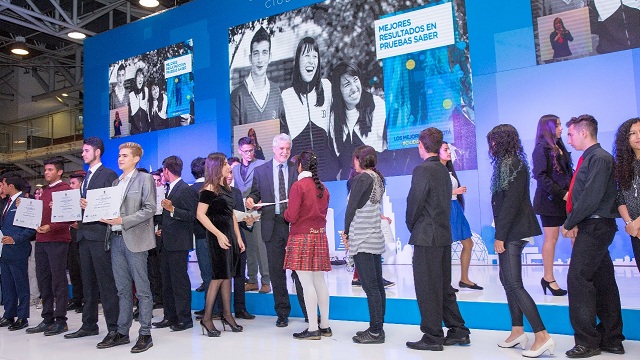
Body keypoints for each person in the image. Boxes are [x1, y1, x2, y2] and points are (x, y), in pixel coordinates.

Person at [487, 124, 554, 357]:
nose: (491, 147)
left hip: (513, 232)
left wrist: (500, 236)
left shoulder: (513, 164)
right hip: (511, 230)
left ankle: (542, 335)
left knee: (514, 283)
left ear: (502, 141)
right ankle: (517, 331)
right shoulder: (506, 165)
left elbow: (511, 204)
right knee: (506, 280)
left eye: (494, 141)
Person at [561, 115, 624, 358]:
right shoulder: (592, 158)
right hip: (596, 227)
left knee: (577, 279)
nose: (569, 139)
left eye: (571, 134)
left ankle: (588, 341)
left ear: (584, 133)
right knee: (604, 282)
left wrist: (570, 222)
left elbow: (591, 197)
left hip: (595, 227)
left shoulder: (599, 158)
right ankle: (611, 338)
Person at [405, 129, 470, 352]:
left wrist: (412, 226)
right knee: (443, 287)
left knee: (427, 287)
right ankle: (458, 329)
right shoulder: (443, 171)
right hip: (443, 235)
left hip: (427, 236)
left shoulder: (422, 170)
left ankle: (432, 336)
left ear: (421, 146)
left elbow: (414, 203)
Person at [245, 133, 307, 327]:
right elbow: (255, 193)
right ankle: (282, 313)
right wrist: (251, 200)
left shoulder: (296, 169)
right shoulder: (261, 171)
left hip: (294, 225)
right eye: (281, 149)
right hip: (271, 226)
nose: (285, 152)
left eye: (288, 149)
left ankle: (309, 312)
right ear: (273, 149)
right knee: (276, 272)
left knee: (300, 272)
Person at [100, 142, 156, 353]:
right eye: (119, 155)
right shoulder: (115, 182)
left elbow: (150, 209)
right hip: (115, 239)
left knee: (142, 290)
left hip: (136, 238)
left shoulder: (145, 179)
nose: (120, 158)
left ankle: (145, 333)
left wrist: (123, 220)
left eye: (125, 155)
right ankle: (122, 332)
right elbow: (108, 209)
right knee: (122, 290)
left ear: (136, 159)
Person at [65, 137, 120, 344]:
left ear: (97, 152)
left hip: (99, 235)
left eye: (86, 150)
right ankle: (89, 324)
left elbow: (112, 204)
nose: (83, 154)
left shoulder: (108, 175)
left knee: (106, 284)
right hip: (84, 235)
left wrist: (92, 206)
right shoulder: (86, 177)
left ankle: (114, 328)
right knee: (87, 283)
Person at [196, 153, 246, 337]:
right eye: (225, 164)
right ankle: (207, 318)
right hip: (217, 237)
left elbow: (231, 214)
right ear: (217, 166)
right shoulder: (209, 188)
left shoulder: (225, 187)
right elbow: (200, 214)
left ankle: (227, 314)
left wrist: (238, 237)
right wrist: (217, 234)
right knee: (218, 277)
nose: (229, 166)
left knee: (227, 276)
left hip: (229, 236)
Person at [284, 151, 332, 340]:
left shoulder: (298, 186)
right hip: (319, 237)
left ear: (300, 166)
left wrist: (286, 214)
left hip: (302, 238)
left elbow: (292, 215)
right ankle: (325, 326)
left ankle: (312, 328)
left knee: (306, 284)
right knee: (319, 282)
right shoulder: (323, 188)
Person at [341, 145, 386, 344]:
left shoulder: (362, 179)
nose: (354, 163)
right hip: (374, 238)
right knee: (377, 286)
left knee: (371, 287)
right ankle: (377, 327)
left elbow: (351, 209)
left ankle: (376, 332)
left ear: (359, 159)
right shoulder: (378, 178)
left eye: (355, 159)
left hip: (363, 238)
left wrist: (347, 234)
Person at [25, 157, 73, 336]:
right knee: (43, 279)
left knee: (58, 280)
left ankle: (61, 320)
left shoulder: (66, 190)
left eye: (50, 170)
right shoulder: (44, 191)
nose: (46, 173)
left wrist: (51, 227)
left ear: (59, 172)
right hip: (41, 240)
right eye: (45, 170)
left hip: (58, 240)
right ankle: (47, 319)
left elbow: (70, 217)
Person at [152, 156, 198, 331]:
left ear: (165, 171)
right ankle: (169, 317)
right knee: (167, 282)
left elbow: (191, 216)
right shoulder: (169, 189)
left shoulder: (186, 189)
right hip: (167, 241)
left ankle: (184, 319)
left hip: (179, 244)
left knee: (179, 282)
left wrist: (173, 210)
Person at [281, 37, 333, 180]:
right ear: (298, 60)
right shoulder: (287, 96)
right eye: (306, 55)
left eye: (315, 56)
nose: (311, 60)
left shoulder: (327, 87)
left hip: (326, 172)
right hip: (300, 174)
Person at [532, 115, 573, 296]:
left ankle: (578, 276)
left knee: (573, 232)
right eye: (557, 125)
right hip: (550, 200)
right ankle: (548, 278)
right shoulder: (541, 149)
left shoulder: (560, 146)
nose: (561, 128)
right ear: (548, 127)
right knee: (552, 238)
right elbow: (541, 177)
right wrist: (561, 193)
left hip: (565, 199)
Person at [329, 62, 387, 180]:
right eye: (346, 85)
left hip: (376, 180)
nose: (354, 88)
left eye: (355, 80)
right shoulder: (334, 116)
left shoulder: (377, 105)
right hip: (348, 186)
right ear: (338, 90)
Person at [439, 142, 482, 291]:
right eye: (445, 150)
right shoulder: (436, 171)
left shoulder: (448, 170)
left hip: (455, 208)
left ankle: (464, 278)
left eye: (448, 149)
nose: (449, 152)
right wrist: (454, 192)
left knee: (468, 244)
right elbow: (435, 195)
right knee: (446, 247)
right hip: (446, 209)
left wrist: (455, 194)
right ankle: (445, 283)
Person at [232, 136, 269, 294]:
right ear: (239, 151)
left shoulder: (262, 165)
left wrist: (260, 201)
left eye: (251, 150)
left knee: (261, 248)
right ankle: (252, 280)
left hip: (258, 212)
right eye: (246, 151)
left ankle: (266, 281)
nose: (249, 154)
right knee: (248, 249)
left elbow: (268, 187)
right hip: (241, 213)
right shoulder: (234, 169)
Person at [0, 173, 36, 331]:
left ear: (10, 186)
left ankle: (22, 317)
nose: (1, 187)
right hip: (5, 249)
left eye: (3, 184)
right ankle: (9, 314)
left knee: (20, 283)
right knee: (7, 284)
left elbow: (30, 228)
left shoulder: (26, 202)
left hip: (18, 248)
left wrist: (15, 239)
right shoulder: (6, 202)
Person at [231, 27, 286, 129]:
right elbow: (233, 138)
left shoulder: (276, 92)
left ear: (270, 57)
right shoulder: (237, 95)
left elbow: (282, 132)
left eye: (264, 53)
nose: (260, 60)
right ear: (250, 58)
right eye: (256, 53)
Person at [614, 117, 640, 273]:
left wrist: (636, 224)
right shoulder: (624, 166)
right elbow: (620, 198)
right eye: (633, 133)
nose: (638, 136)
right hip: (635, 231)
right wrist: (630, 223)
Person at [66, 172, 85, 313]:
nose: (70, 186)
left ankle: (87, 300)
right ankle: (76, 299)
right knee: (73, 270)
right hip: (70, 239)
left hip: (82, 238)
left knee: (84, 270)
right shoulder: (67, 200)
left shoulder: (85, 199)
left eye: (73, 183)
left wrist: (81, 224)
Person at [128, 67, 150, 135]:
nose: (140, 79)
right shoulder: (131, 95)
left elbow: (148, 109)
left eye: (142, 77)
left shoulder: (146, 91)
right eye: (139, 77)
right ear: (135, 79)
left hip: (146, 131)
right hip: (135, 133)